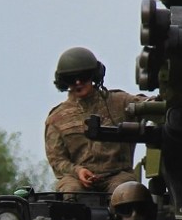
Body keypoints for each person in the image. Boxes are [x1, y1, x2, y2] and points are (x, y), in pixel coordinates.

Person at [44, 47, 148, 193]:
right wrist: (78, 171)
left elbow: (150, 106)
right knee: (70, 191)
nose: (78, 82)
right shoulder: (56, 118)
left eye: (84, 76)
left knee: (127, 191)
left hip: (118, 175)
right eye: (71, 79)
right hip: (76, 178)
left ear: (94, 75)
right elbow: (57, 160)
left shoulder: (119, 102)